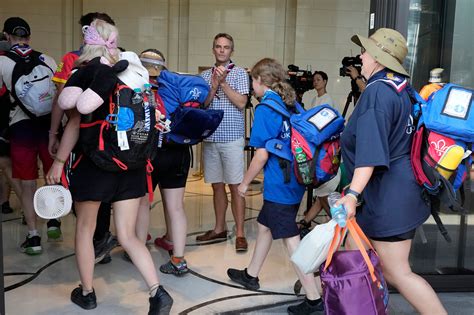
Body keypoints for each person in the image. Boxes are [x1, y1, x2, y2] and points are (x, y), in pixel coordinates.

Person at [45, 20, 173, 313]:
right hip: (132, 165)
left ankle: (87, 292)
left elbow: (76, 123)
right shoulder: (133, 72)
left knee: (86, 230)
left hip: (97, 164)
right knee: (127, 235)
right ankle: (157, 293)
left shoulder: (85, 73)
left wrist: (59, 161)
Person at [337, 28, 446, 314]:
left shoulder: (377, 94)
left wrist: (351, 194)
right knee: (357, 252)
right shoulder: (400, 87)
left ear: (377, 57)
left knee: (398, 273)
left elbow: (371, 153)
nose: (361, 55)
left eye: (365, 51)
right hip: (395, 192)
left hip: (389, 199)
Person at [227, 58, 324, 314]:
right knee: (264, 226)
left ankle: (314, 298)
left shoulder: (266, 109)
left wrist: (244, 183)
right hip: (296, 179)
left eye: (252, 82)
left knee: (291, 241)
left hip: (279, 184)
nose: (252, 87)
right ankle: (251, 274)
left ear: (259, 81)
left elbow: (261, 155)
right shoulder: (292, 104)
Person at [49, 11, 118, 264]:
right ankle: (102, 240)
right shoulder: (118, 62)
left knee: (86, 209)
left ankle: (94, 255)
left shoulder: (75, 61)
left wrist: (55, 138)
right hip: (113, 148)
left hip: (83, 141)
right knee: (104, 201)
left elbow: (65, 105)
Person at [0, 17, 57, 254]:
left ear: (7, 36)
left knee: (27, 182)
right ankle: (55, 221)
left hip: (21, 127)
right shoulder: (48, 59)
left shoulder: (2, 62)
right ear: (29, 37)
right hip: (49, 127)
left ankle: (33, 237)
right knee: (53, 177)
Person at [132, 49, 191, 275]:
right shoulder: (176, 86)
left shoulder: (136, 85)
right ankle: (179, 259)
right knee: (176, 208)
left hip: (148, 153)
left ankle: (138, 254)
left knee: (143, 204)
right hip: (178, 151)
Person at [196, 33, 249, 252]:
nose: (221, 50)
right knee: (217, 186)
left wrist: (223, 83)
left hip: (232, 139)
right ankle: (219, 228)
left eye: (226, 47)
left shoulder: (239, 73)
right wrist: (213, 85)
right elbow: (203, 105)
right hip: (211, 138)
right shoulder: (204, 75)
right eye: (218, 46)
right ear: (213, 49)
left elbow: (241, 103)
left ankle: (240, 233)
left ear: (231, 51)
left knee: (236, 187)